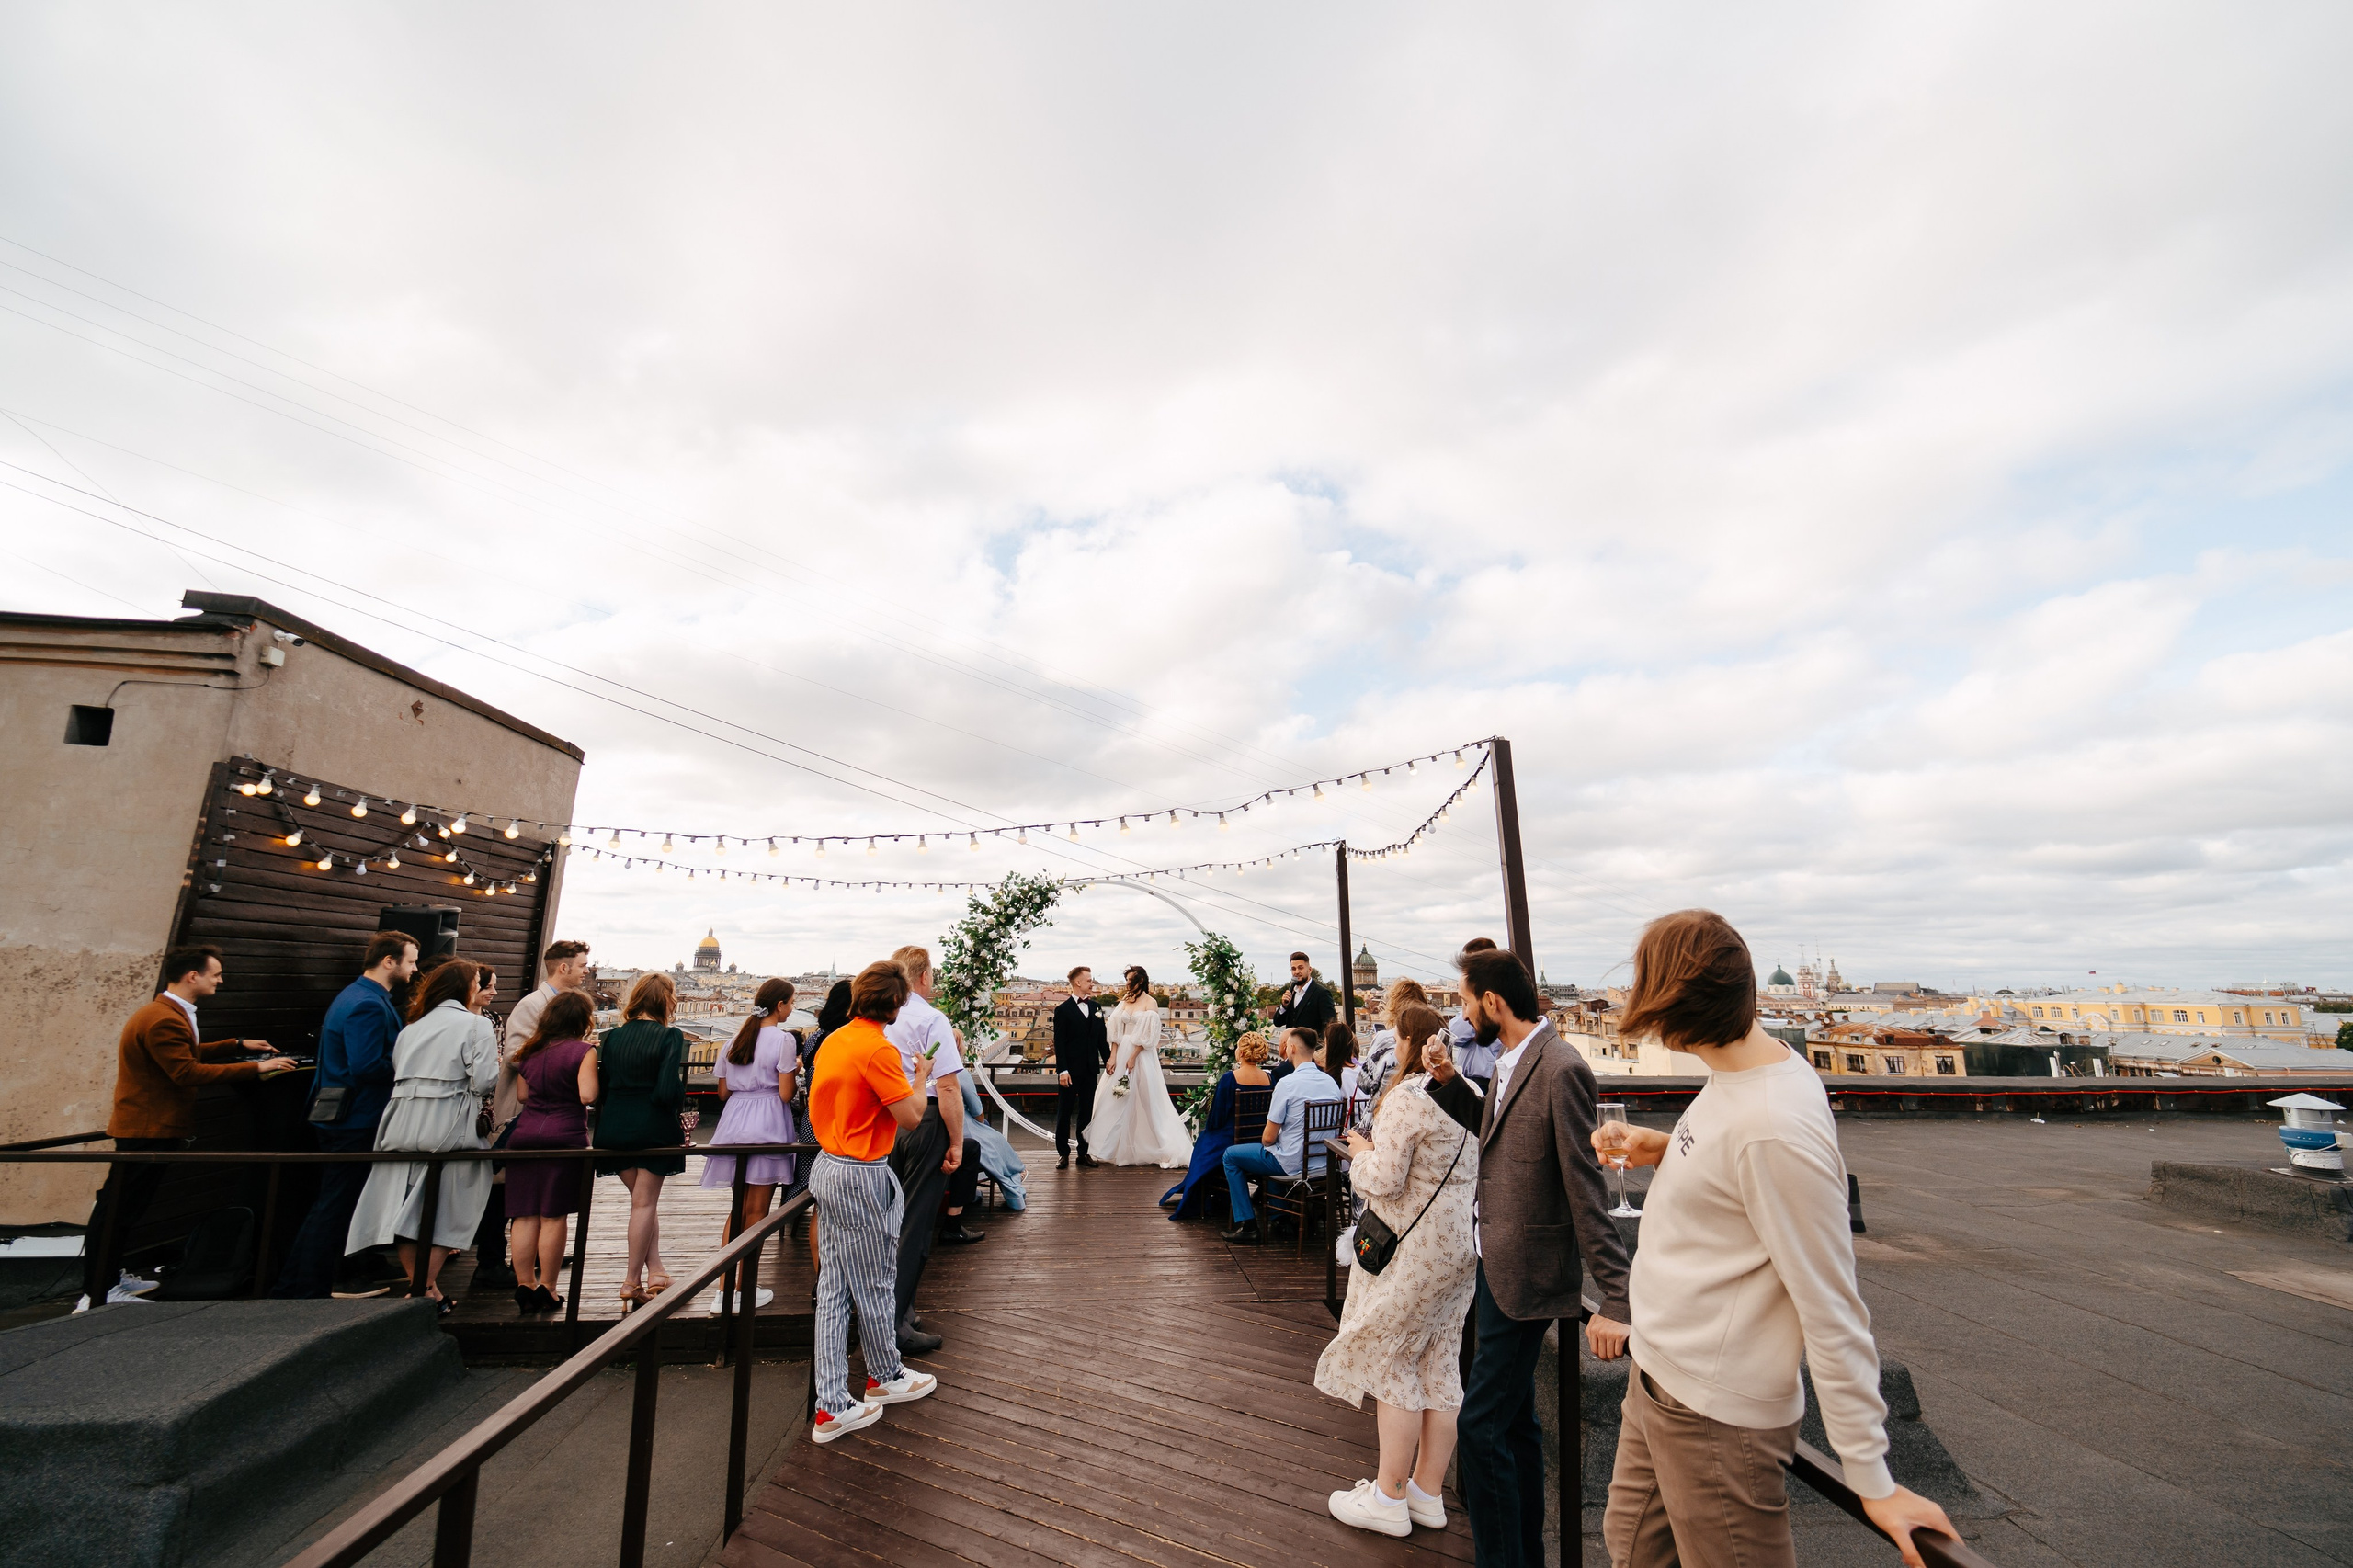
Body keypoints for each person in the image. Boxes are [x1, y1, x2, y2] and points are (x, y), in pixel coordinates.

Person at [1596, 912, 1957, 1568]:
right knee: (1631, 1554)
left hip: (1712, 1413)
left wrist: (1871, 1479)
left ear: (1672, 1012)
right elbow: (1732, 1181)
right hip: (1663, 1376)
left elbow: (1830, 1304)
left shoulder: (1771, 1126)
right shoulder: (1750, 1074)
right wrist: (1666, 1150)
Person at [1432, 947, 1631, 1568]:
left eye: (1466, 1002)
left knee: (1481, 1428)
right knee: (1515, 1428)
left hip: (1528, 1275)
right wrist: (1448, 1086)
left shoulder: (1561, 1067)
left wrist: (1618, 1297)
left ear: (1494, 1002)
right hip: (1498, 1262)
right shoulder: (1511, 1061)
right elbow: (1501, 1142)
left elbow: (1584, 1186)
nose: (1462, 1016)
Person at [1317, 1002, 1479, 1537]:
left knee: (1395, 1361)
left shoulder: (1408, 1098)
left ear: (1408, 1042)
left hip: (1410, 1247)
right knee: (1440, 1361)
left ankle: (1387, 1499)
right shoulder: (1474, 1094)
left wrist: (1360, 1152)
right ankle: (1426, 1493)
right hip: (1459, 1246)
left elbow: (1383, 1181)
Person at [76, 946, 296, 1312]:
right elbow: (185, 1072)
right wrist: (256, 1068)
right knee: (118, 1210)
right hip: (147, 1130)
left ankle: (109, 1278)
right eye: (216, 974)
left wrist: (236, 1044)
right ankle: (98, 1292)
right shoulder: (163, 1018)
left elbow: (186, 1053)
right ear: (192, 976)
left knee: (122, 1208)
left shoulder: (167, 1012)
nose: (221, 980)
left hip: (147, 1128)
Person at [805, 960, 938, 1444]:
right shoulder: (879, 1050)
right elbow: (910, 1117)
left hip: (828, 1164)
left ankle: (832, 1404)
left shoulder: (837, 1039)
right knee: (879, 1281)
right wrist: (921, 1076)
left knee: (836, 1291)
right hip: (863, 1172)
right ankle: (885, 1376)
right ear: (899, 1004)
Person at [344, 958, 500, 1313]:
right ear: (464, 987)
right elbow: (485, 1080)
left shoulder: (411, 1026)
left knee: (404, 1203)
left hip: (401, 1121)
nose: (479, 986)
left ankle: (424, 1289)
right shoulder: (477, 1026)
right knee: (451, 1202)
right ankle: (424, 1286)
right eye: (476, 981)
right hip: (448, 1123)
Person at [274, 930, 418, 1299]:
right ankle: (307, 1289)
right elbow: (367, 1066)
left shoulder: (357, 995)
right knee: (335, 1207)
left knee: (332, 1204)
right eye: (411, 961)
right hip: (354, 1119)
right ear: (390, 961)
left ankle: (299, 1284)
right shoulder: (366, 1003)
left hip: (345, 1115)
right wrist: (413, 1067)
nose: (414, 970)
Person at [481, 939, 592, 1288]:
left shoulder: (550, 1003)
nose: (586, 971)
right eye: (583, 966)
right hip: (523, 1112)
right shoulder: (533, 1005)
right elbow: (515, 1054)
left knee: (529, 1201)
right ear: (564, 968)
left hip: (534, 1111)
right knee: (514, 1197)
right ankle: (491, 1262)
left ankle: (535, 1263)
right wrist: (565, 1055)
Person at [882, 945, 969, 1356]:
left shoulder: (880, 1018)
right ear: (923, 977)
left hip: (886, 1122)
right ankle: (896, 1323)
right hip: (927, 1117)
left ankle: (900, 1307)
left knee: (886, 1220)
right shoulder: (931, 1018)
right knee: (915, 1223)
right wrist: (956, 1142)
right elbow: (948, 1086)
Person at [701, 979, 800, 1311]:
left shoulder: (735, 1039)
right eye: (792, 1002)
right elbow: (786, 1094)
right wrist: (795, 1072)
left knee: (737, 1208)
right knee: (758, 1210)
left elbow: (723, 1093)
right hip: (767, 1122)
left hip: (734, 1122)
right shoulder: (783, 1040)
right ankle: (745, 1288)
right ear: (780, 1006)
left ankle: (723, 1289)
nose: (793, 1008)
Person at [595, 973, 690, 1305]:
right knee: (645, 1203)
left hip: (614, 1127)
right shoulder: (669, 1036)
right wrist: (679, 1096)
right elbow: (667, 1091)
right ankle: (631, 1281)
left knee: (641, 1202)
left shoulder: (614, 1036)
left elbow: (603, 1086)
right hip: (652, 1127)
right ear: (665, 999)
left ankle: (656, 1269)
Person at [503, 989, 599, 1315]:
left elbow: (522, 1096)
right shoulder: (582, 1051)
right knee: (553, 1214)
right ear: (581, 1020)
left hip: (526, 1135)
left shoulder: (529, 1050)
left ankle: (524, 1284)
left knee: (524, 1213)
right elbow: (587, 1095)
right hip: (564, 1135)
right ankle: (550, 1287)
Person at [1218, 1026, 1339, 1245]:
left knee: (1231, 1156)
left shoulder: (1287, 1084)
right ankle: (1279, 1218)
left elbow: (1267, 1139)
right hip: (1323, 1163)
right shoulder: (1330, 1082)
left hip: (1292, 1163)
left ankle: (1248, 1224)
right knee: (1277, 1152)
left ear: (1291, 1049)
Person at [1086, 967, 1194, 1168]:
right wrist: (1114, 1055)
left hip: (1141, 1054)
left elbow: (1148, 1035)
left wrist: (1133, 1057)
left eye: (1130, 980)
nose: (1127, 983)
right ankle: (1107, 1148)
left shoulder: (1151, 1002)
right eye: (1126, 980)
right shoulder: (1125, 1000)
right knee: (1113, 1098)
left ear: (1141, 980)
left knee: (1148, 1099)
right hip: (1121, 1052)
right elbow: (1116, 1030)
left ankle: (1161, 1145)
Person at [1161, 1031, 1272, 1221]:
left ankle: (1199, 1192)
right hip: (1259, 1139)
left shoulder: (1230, 1078)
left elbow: (1217, 1117)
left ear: (1242, 1053)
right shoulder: (1270, 1079)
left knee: (1205, 1139)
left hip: (1231, 1138)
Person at [1354, 978, 1431, 1136]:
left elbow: (1363, 1083)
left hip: (1379, 1124)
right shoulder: (1432, 1041)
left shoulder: (1384, 1038)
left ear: (1393, 1006)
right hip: (1418, 1124)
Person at [1051, 966, 1109, 1169]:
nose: (1092, 983)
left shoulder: (1096, 1008)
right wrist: (1062, 1070)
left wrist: (1109, 1061)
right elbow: (1060, 1042)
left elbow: (1102, 1040)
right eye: (1089, 980)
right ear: (1078, 983)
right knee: (1064, 1112)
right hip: (1070, 1072)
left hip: (1090, 1069)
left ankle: (1083, 1153)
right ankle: (1063, 1154)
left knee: (1087, 1112)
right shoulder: (1062, 1010)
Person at [957, 1069, 1028, 1211]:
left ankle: (968, 1189)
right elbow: (977, 1111)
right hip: (963, 1129)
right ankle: (1013, 1177)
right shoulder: (959, 1073)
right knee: (994, 1140)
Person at [1446, 938, 1504, 1087]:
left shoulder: (1488, 1001)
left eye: (1469, 967)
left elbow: (1454, 1034)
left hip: (1484, 1081)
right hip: (1478, 1078)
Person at [1268, 952, 1336, 1036]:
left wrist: (1318, 1047)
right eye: (1293, 969)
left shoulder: (1322, 993)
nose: (1296, 972)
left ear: (1309, 970)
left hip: (1313, 1048)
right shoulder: (1291, 992)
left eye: (1300, 968)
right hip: (1291, 1047)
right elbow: (1277, 1023)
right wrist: (1284, 1006)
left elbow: (1330, 1026)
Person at [1324, 1018, 1360, 1102]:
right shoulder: (1362, 1072)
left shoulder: (1332, 1078)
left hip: (1346, 1114)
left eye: (1326, 1045)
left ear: (1331, 1048)